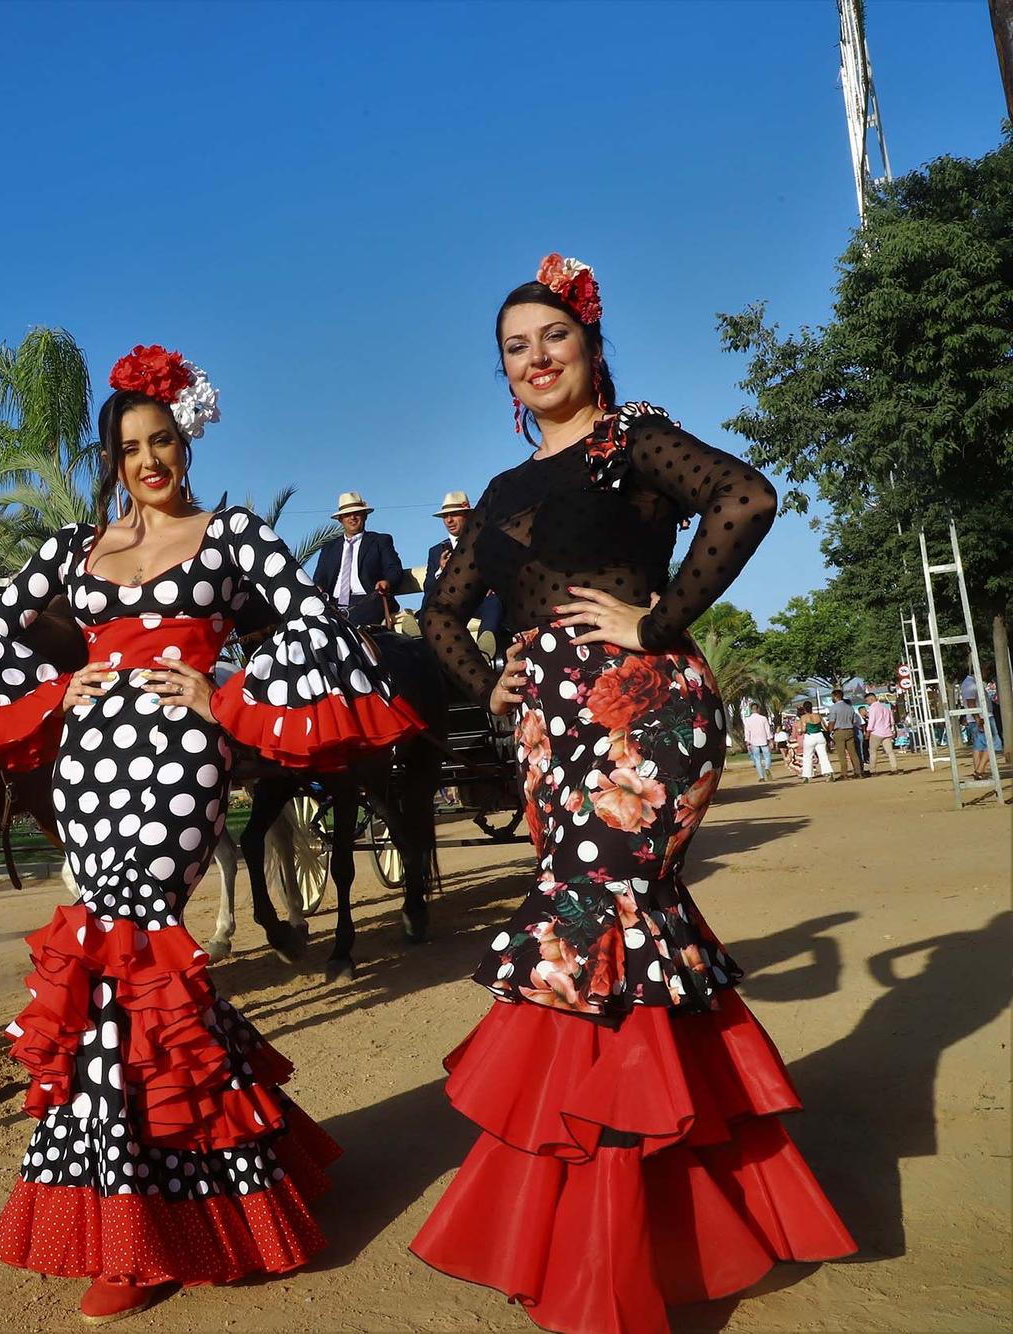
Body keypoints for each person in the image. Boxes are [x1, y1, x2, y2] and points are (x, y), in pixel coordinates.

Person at [0, 343, 424, 1324]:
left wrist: (224, 692)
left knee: (126, 947)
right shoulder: (70, 546)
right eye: (131, 445)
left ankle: (131, 1224)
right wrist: (60, 688)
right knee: (118, 964)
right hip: (87, 761)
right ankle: (251, 1158)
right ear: (112, 455)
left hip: (180, 756)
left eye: (163, 440)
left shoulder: (229, 538)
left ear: (189, 440)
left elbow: (313, 623)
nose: (149, 459)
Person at [413, 254, 853, 1334]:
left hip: (644, 714)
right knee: (613, 933)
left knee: (591, 924)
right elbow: (437, 617)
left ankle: (600, 1263)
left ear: (589, 346)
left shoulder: (631, 441)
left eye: (549, 337)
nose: (534, 358)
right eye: (513, 347)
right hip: (545, 735)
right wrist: (496, 677)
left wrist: (652, 626)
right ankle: (692, 1211)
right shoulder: (505, 491)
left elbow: (744, 498)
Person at [420, 490, 505, 652]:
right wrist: (441, 571)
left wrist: (491, 583)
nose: (449, 520)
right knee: (431, 603)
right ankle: (421, 632)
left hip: (479, 601)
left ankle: (485, 649)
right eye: (445, 516)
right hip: (450, 603)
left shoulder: (486, 542)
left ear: (468, 516)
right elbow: (428, 587)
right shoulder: (436, 551)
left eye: (454, 515)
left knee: (494, 602)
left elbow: (501, 569)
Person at [311, 491, 403, 626]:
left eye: (357, 513)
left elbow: (394, 569)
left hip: (370, 599)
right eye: (347, 514)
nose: (352, 517)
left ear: (365, 516)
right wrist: (318, 587)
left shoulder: (380, 541)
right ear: (340, 519)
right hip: (333, 603)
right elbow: (319, 578)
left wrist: (387, 582)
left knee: (345, 626)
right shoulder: (329, 547)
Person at [827, 689, 866, 779]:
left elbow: (832, 721)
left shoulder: (834, 708)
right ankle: (858, 772)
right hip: (850, 730)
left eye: (832, 697)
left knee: (841, 754)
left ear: (835, 697)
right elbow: (854, 721)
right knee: (853, 753)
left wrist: (830, 731)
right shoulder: (850, 707)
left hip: (839, 731)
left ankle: (844, 774)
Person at [798, 699, 834, 782]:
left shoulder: (803, 717)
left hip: (810, 737)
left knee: (807, 756)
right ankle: (829, 772)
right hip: (820, 736)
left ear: (804, 709)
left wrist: (800, 731)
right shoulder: (818, 715)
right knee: (823, 755)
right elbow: (825, 727)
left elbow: (803, 729)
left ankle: (807, 776)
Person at [863, 694, 898, 773]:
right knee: (890, 752)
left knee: (872, 751)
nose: (867, 702)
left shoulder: (872, 708)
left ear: (871, 699)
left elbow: (872, 721)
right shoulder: (885, 707)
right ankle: (894, 768)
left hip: (876, 732)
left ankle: (872, 770)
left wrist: (868, 731)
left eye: (867, 700)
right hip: (886, 732)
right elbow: (892, 721)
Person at [740, 700, 773, 781]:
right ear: (758, 709)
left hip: (754, 742)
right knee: (767, 756)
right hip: (763, 740)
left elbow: (747, 731)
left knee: (757, 759)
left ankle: (761, 777)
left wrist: (747, 741)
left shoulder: (748, 720)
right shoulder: (763, 718)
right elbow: (767, 730)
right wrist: (770, 739)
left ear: (751, 710)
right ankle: (767, 768)